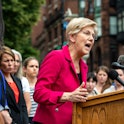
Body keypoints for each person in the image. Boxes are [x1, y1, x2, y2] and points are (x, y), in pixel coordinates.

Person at [33, 17, 98, 124]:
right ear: (72, 37)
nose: (91, 38)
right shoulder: (56, 57)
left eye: (93, 35)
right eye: (87, 33)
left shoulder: (83, 66)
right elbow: (39, 93)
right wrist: (68, 96)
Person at [0, 46, 28, 124]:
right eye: (6, 61)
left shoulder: (17, 80)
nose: (10, 64)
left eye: (12, 60)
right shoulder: (1, 81)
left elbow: (23, 105)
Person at [12, 49, 31, 115]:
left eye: (18, 61)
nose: (15, 64)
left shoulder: (23, 80)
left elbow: (27, 104)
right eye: (13, 60)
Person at [23, 57, 39, 124]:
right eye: (31, 66)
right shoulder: (21, 83)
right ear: (24, 69)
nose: (34, 69)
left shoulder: (41, 83)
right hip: (27, 117)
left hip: (39, 117)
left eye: (37, 67)